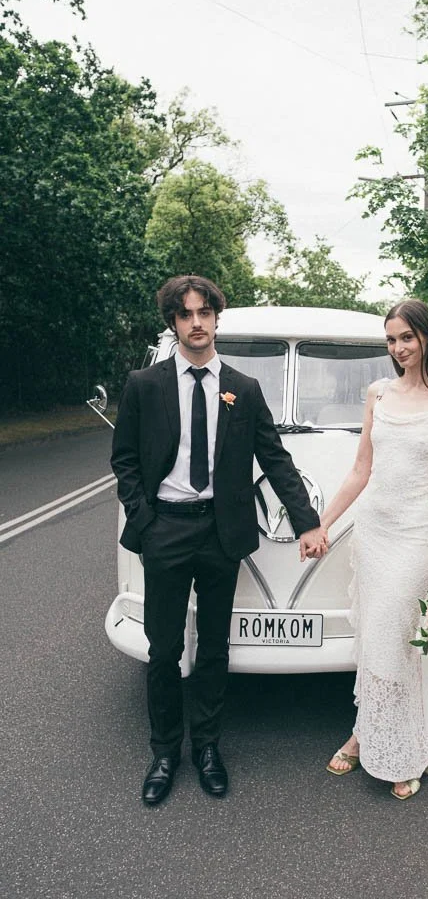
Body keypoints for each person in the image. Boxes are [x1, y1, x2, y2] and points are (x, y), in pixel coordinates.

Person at [111, 275, 327, 806]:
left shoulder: (243, 388)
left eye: (204, 312)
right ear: (174, 323)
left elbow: (274, 458)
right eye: (186, 315)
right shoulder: (144, 384)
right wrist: (146, 517)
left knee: (213, 647)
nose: (197, 322)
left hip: (219, 532)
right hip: (166, 528)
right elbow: (126, 462)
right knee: (163, 650)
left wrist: (307, 522)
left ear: (216, 318)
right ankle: (165, 752)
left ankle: (207, 748)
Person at [321, 299, 428, 799]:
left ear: (426, 336)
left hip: (416, 540)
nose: (399, 348)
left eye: (407, 337)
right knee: (373, 641)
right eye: (391, 339)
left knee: (393, 641)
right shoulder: (378, 394)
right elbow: (361, 470)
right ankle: (368, 735)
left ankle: (407, 751)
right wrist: (320, 525)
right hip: (374, 533)